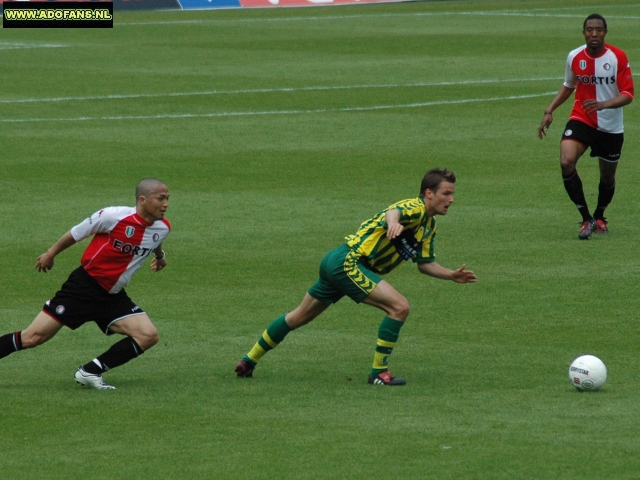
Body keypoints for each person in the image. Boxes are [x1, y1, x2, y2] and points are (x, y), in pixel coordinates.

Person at [235, 168, 477, 386]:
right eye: (446, 193)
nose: (451, 199)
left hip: (338, 261)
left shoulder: (429, 227)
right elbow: (392, 212)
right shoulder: (415, 207)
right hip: (349, 262)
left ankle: (248, 361)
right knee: (399, 307)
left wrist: (451, 275)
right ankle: (379, 373)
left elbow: (425, 264)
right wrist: (393, 223)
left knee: (298, 317)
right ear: (429, 193)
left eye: (452, 194)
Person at [0, 179, 171, 390]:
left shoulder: (162, 227)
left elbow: (155, 239)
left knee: (148, 335)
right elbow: (76, 233)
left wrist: (160, 256)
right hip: (83, 288)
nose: (165, 204)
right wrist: (51, 253)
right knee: (33, 337)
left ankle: (90, 372)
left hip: (113, 296)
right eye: (160, 198)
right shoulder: (113, 216)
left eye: (167, 199)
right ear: (143, 200)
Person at [537, 13, 634, 240]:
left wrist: (604, 104)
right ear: (584, 32)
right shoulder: (574, 56)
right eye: (590, 30)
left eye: (598, 30)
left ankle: (600, 215)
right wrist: (549, 110)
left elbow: (628, 94)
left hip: (610, 126)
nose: (594, 34)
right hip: (582, 118)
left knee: (607, 178)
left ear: (605, 33)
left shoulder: (617, 57)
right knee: (566, 161)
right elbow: (569, 85)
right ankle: (586, 218)